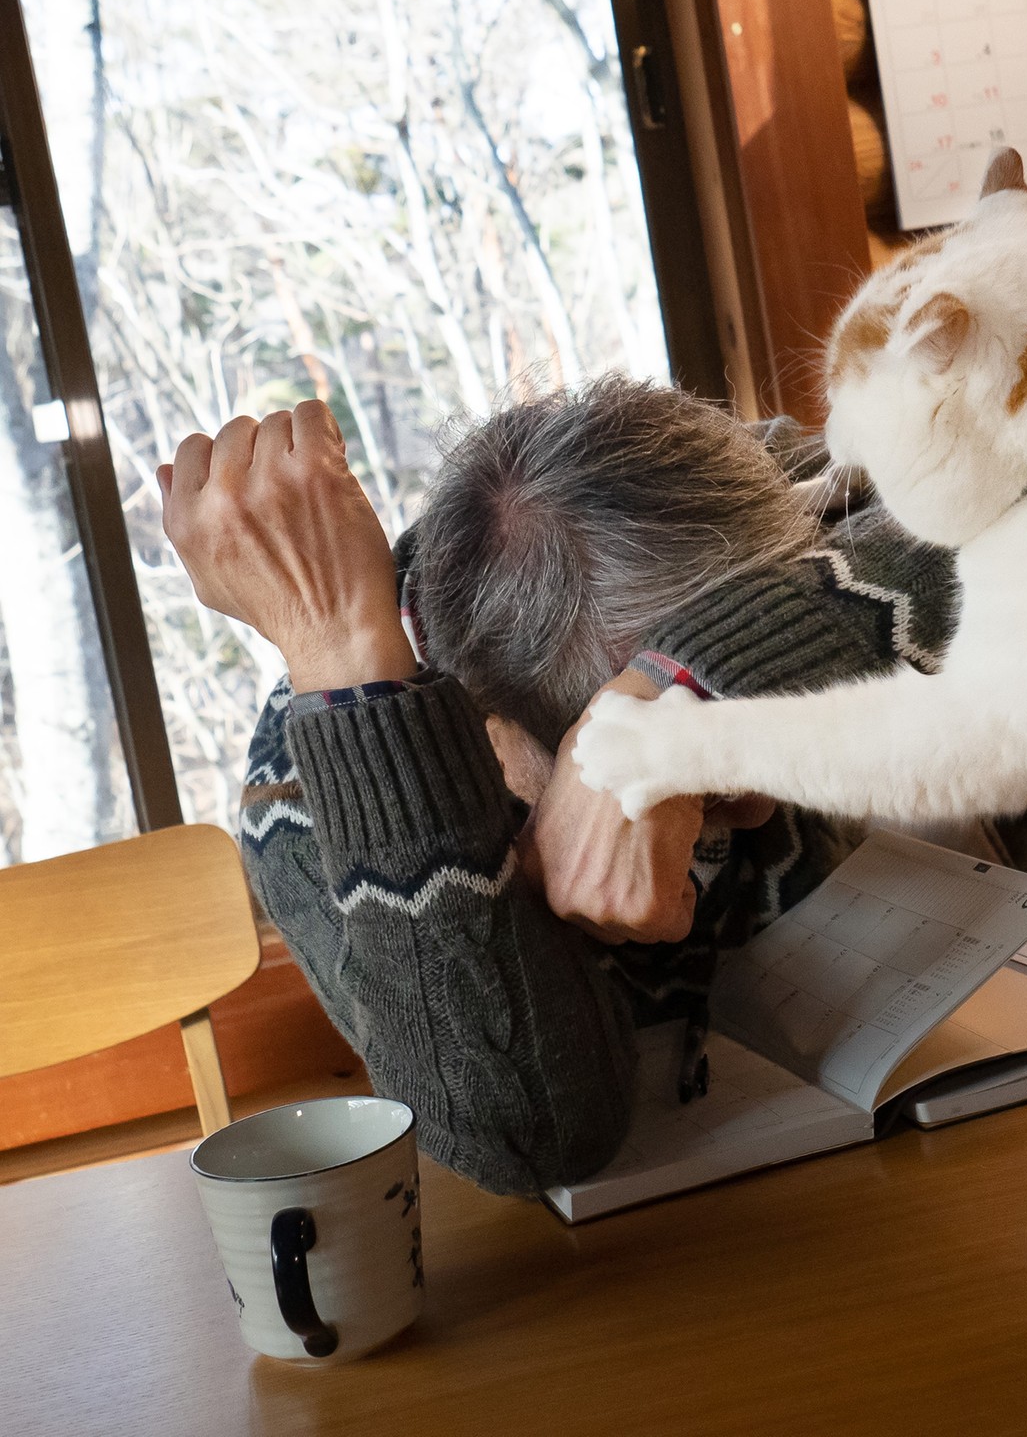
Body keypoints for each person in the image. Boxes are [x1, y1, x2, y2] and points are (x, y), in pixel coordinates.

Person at [160, 377, 959, 1196]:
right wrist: (345, 658)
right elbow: (526, 1134)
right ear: (486, 729)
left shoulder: (722, 497)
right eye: (709, 792)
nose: (757, 805)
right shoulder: (305, 806)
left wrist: (682, 685)